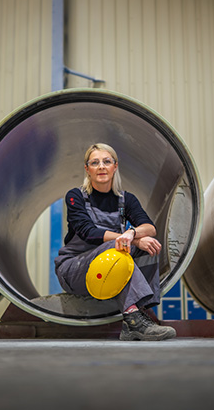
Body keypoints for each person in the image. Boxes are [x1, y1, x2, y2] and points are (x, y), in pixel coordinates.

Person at [54, 143, 176, 341]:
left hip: (106, 269)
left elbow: (150, 227)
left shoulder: (126, 199)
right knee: (118, 247)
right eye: (95, 162)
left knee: (149, 244)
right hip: (74, 269)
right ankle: (134, 320)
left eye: (106, 161)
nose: (101, 166)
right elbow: (88, 232)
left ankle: (139, 312)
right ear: (87, 169)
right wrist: (131, 239)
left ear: (115, 166)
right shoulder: (76, 196)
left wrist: (133, 233)